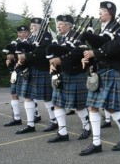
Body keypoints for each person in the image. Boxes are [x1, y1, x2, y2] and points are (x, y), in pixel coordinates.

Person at [79, 1, 120, 156]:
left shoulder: (116, 27)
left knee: (111, 108)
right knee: (93, 107)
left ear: (110, 12)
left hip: (110, 70)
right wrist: (88, 59)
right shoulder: (100, 29)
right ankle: (96, 142)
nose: (99, 13)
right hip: (99, 70)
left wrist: (96, 53)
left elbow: (117, 45)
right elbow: (96, 50)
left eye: (102, 11)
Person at [47, 14, 91, 143]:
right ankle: (62, 132)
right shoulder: (60, 39)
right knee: (58, 103)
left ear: (68, 25)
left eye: (60, 24)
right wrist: (51, 64)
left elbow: (79, 53)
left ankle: (87, 127)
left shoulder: (78, 37)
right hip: (62, 74)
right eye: (58, 24)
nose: (58, 26)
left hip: (76, 73)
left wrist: (60, 60)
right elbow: (54, 54)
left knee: (79, 105)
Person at [15, 17, 58, 134]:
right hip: (31, 69)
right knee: (27, 96)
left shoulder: (46, 35)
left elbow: (43, 51)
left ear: (40, 26)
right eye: (32, 25)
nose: (32, 27)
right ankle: (30, 124)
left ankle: (54, 121)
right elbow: (25, 49)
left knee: (47, 96)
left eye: (35, 25)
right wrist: (21, 59)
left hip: (42, 69)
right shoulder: (31, 37)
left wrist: (26, 56)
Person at [3, 26, 30, 126]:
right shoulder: (15, 43)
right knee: (13, 94)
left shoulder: (30, 43)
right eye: (19, 32)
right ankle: (16, 118)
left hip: (25, 71)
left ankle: (35, 115)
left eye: (22, 32)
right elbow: (13, 57)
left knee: (28, 95)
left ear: (27, 33)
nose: (20, 34)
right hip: (15, 72)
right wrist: (9, 60)